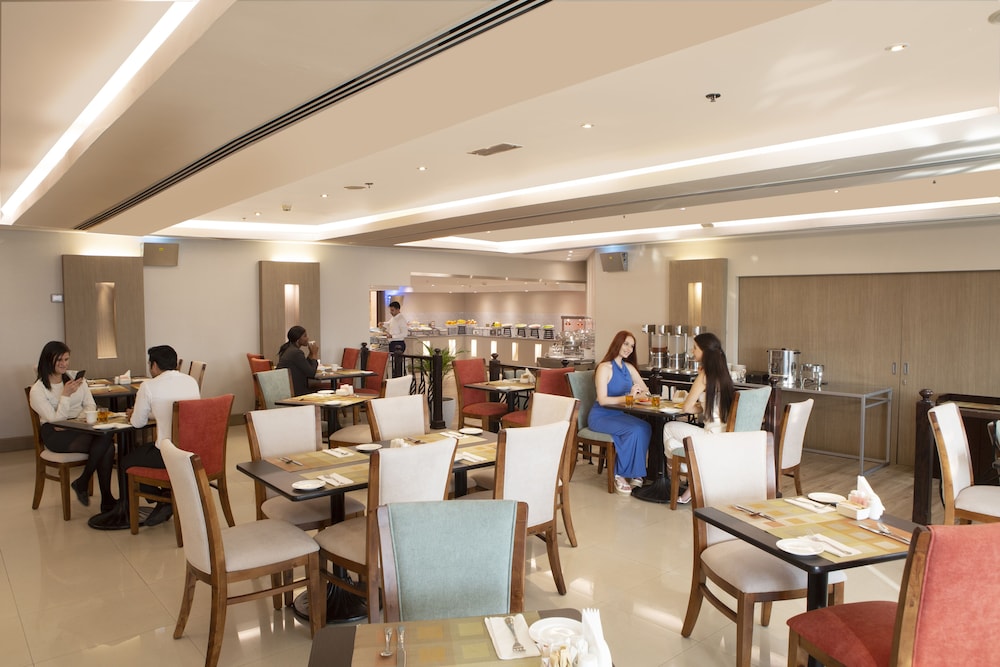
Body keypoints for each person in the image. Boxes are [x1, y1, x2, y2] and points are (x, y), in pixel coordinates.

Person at [29, 341, 116, 512]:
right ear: (47, 360)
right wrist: (65, 395)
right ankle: (105, 499)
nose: (64, 364)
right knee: (107, 444)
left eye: (66, 359)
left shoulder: (76, 378)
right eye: (59, 360)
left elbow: (90, 405)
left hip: (79, 426)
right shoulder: (38, 390)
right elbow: (56, 421)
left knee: (106, 439)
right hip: (54, 433)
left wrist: (77, 420)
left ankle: (84, 483)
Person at [122, 345, 201, 526]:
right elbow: (176, 411)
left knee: (126, 462)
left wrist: (134, 414)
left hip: (167, 453)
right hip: (191, 450)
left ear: (154, 365)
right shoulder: (190, 381)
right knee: (145, 452)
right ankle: (165, 499)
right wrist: (150, 413)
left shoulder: (149, 386)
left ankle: (164, 498)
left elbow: (137, 423)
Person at [663, 332, 735, 504]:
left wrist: (694, 402)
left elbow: (686, 407)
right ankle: (693, 483)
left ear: (705, 352)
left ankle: (675, 477)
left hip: (710, 437)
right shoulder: (724, 374)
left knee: (668, 428)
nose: (692, 351)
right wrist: (701, 405)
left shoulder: (704, 376)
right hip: (725, 435)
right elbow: (709, 406)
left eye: (695, 348)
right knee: (672, 443)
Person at [587, 330, 652, 496]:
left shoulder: (629, 368)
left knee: (645, 427)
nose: (629, 349)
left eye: (632, 346)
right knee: (634, 430)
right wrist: (629, 397)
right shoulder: (604, 368)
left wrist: (638, 394)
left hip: (618, 415)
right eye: (626, 344)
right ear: (617, 343)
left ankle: (636, 471)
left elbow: (647, 391)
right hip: (600, 416)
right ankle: (620, 474)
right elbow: (602, 400)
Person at [276, 325, 319, 396]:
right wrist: (314, 354)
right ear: (298, 339)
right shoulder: (296, 352)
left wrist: (311, 353)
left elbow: (305, 367)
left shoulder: (289, 349)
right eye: (305, 336)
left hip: (286, 388)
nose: (307, 338)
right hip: (294, 391)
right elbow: (311, 373)